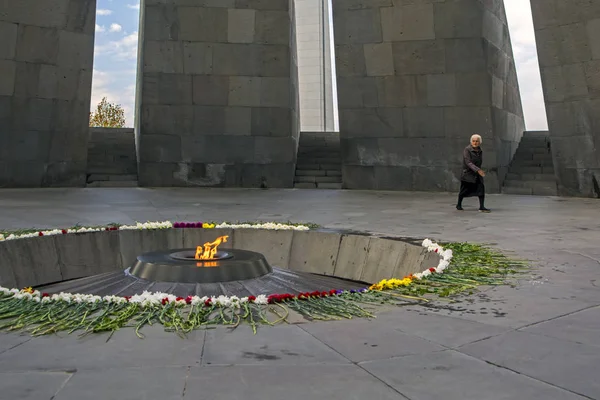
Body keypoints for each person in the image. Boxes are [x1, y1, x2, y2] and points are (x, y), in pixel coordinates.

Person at [457, 134, 491, 212]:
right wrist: (478, 170)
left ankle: (482, 206)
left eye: (477, 141)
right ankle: (459, 204)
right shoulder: (467, 150)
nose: (475, 143)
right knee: (464, 190)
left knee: (481, 189)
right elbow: (468, 162)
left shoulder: (480, 150)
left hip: (477, 174)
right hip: (468, 174)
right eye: (473, 141)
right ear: (471, 141)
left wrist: (479, 171)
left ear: (480, 142)